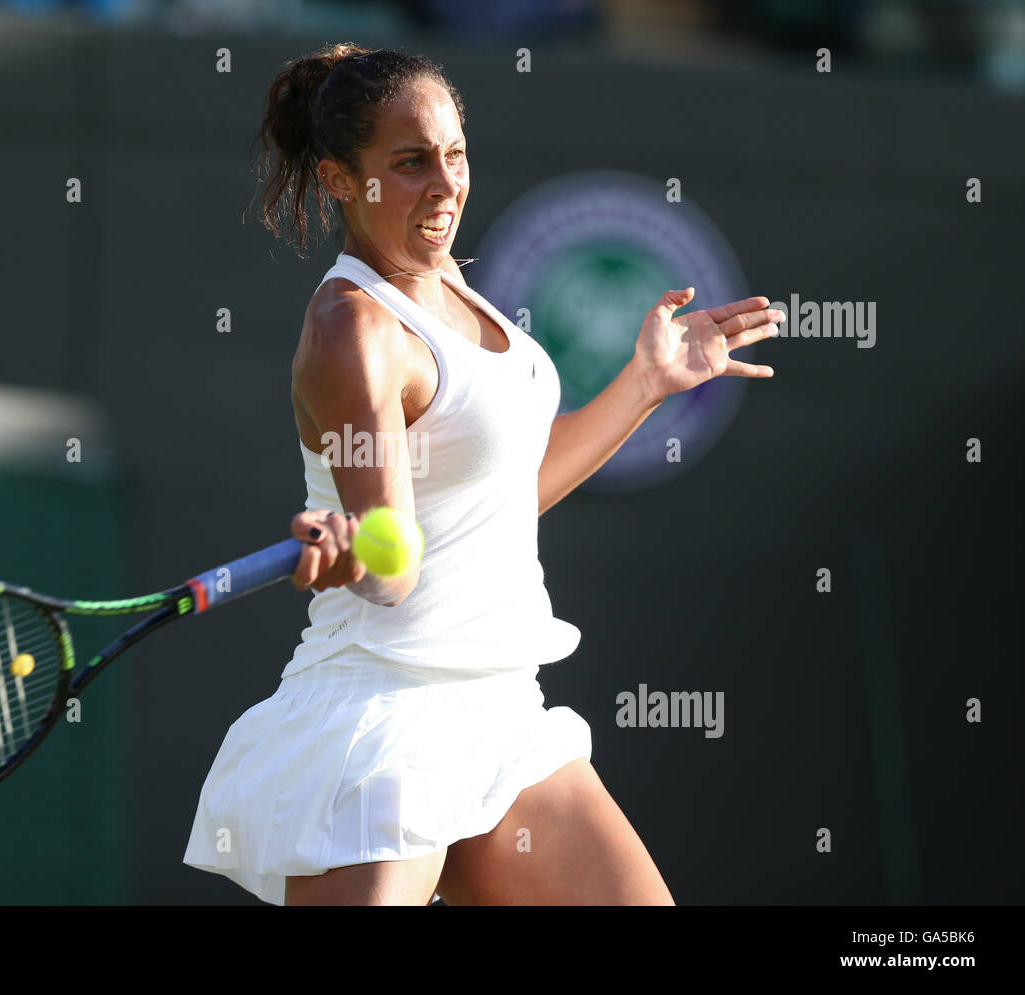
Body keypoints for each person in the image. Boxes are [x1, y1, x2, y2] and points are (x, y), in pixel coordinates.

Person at [183, 44, 780, 905]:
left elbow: (504, 500)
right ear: (343, 180)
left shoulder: (454, 288)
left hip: (502, 715)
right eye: (411, 162)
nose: (445, 184)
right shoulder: (353, 329)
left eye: (455, 154)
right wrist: (352, 545)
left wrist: (646, 382)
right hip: (381, 725)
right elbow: (393, 569)